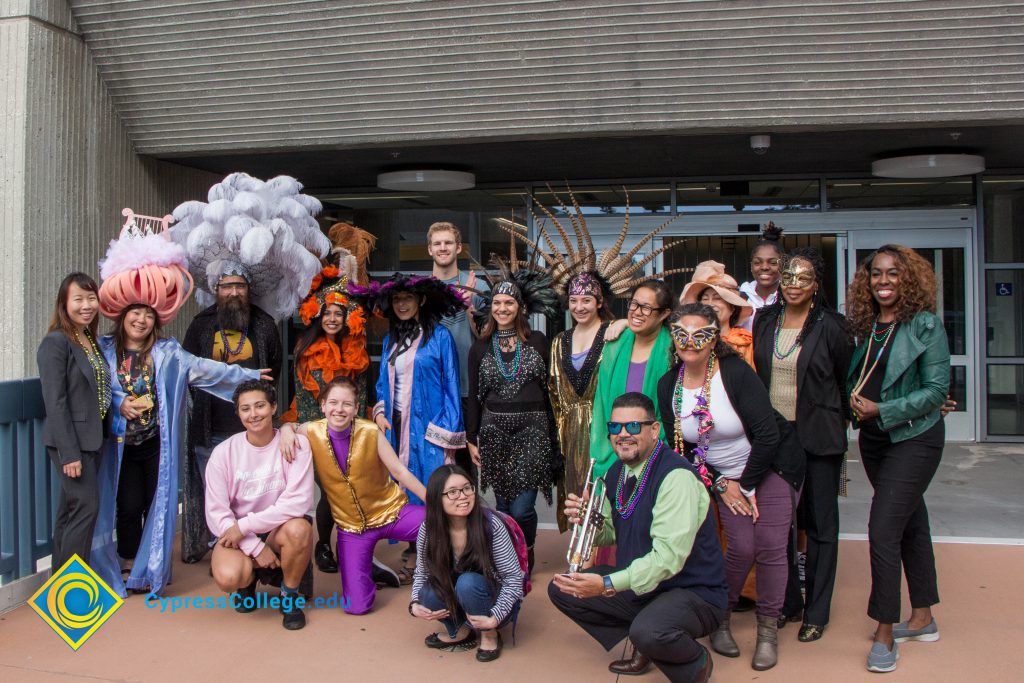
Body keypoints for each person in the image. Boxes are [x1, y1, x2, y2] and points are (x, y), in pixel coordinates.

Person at [89, 212, 265, 597]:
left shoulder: (168, 353)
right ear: (122, 317)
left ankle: (151, 568)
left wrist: (247, 377)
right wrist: (119, 403)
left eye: (147, 315)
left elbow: (206, 369)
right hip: (119, 445)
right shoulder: (102, 351)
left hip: (155, 444)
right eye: (134, 313)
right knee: (126, 503)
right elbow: (91, 385)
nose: (140, 320)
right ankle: (126, 562)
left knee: (157, 501)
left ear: (156, 321)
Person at [172, 172, 330, 563]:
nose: (234, 292)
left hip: (258, 428)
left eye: (239, 286)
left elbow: (275, 369)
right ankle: (222, 549)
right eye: (226, 286)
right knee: (218, 494)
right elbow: (187, 371)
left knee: (260, 493)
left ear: (248, 289)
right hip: (211, 428)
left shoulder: (263, 324)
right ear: (216, 289)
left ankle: (262, 547)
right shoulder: (200, 325)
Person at [658, 303, 804, 671]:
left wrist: (749, 486)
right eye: (681, 333)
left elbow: (769, 435)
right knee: (741, 545)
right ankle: (719, 617)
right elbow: (683, 447)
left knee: (771, 546)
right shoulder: (668, 385)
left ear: (714, 339)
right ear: (673, 336)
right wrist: (722, 484)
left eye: (701, 334)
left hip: (769, 467)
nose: (690, 342)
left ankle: (767, 630)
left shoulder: (735, 372)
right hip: (720, 477)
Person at [549, 392, 727, 683]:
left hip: (693, 591)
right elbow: (608, 534)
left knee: (649, 630)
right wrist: (586, 521)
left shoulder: (676, 477)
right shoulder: (616, 471)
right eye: (615, 427)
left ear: (654, 430)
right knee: (562, 590)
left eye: (633, 427)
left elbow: (668, 560)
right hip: (645, 584)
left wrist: (606, 584)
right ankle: (648, 640)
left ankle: (694, 662)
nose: (622, 435)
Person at [846, 245, 950, 673]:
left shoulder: (925, 325)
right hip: (875, 441)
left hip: (915, 438)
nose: (883, 281)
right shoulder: (869, 327)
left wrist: (882, 410)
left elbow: (936, 391)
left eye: (892, 274)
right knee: (911, 522)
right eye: (876, 275)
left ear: (907, 279)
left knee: (883, 528)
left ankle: (886, 632)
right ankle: (923, 618)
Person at [752, 248, 852, 642]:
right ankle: (789, 604)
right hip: (777, 438)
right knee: (782, 526)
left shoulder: (833, 325)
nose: (793, 284)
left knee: (821, 525)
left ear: (816, 285)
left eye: (803, 278)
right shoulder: (765, 319)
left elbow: (844, 382)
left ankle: (817, 611)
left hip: (820, 438)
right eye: (788, 276)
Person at [349, 274, 466, 576]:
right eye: (397, 300)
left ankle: (442, 552)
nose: (401, 304)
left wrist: (445, 435)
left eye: (408, 299)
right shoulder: (391, 339)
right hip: (397, 425)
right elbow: (381, 383)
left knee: (432, 485)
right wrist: (378, 413)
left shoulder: (440, 337)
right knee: (404, 487)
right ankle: (416, 545)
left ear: (421, 301)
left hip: (429, 426)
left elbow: (452, 384)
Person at [280, 377, 428, 614]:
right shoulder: (312, 430)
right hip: (351, 527)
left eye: (347, 404)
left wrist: (434, 502)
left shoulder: (370, 431)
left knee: (442, 522)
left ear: (356, 408)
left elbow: (399, 471)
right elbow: (291, 426)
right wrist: (287, 431)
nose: (339, 409)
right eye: (334, 403)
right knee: (356, 607)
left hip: (390, 512)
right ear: (323, 405)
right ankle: (370, 567)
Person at [283, 223, 374, 574]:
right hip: (318, 428)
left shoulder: (357, 349)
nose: (333, 318)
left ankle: (355, 549)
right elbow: (303, 396)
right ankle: (323, 545)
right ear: (318, 317)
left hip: (352, 427)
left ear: (347, 317)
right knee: (328, 489)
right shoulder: (306, 349)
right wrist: (312, 430)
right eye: (327, 314)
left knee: (353, 490)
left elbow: (362, 389)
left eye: (338, 314)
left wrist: (362, 425)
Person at [467, 263, 559, 568]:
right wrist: (471, 438)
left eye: (509, 303)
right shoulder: (480, 347)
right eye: (497, 302)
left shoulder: (538, 342)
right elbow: (474, 397)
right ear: (490, 307)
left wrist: (555, 436)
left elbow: (550, 393)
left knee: (522, 508)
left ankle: (526, 546)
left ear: (520, 308)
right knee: (503, 504)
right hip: (493, 433)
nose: (502, 308)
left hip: (533, 433)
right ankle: (509, 557)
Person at [206, 380, 315, 630]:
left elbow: (298, 502)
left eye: (260, 406)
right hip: (239, 534)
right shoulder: (224, 453)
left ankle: (289, 596)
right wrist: (254, 546)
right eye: (245, 409)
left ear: (274, 407)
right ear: (238, 413)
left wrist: (245, 526)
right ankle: (247, 585)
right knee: (229, 576)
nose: (253, 414)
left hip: (278, 529)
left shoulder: (296, 445)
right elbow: (216, 514)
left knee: (300, 529)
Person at [410, 465, 524, 663]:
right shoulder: (428, 529)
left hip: (491, 601)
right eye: (452, 492)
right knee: (427, 593)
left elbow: (514, 579)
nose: (463, 496)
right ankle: (460, 629)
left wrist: (495, 617)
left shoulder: (490, 525)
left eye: (467, 488)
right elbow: (422, 572)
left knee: (468, 582)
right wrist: (413, 604)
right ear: (438, 498)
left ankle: (489, 633)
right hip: (459, 593)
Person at [38, 273, 111, 570]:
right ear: (63, 304)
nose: (86, 305)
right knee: (86, 508)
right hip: (71, 444)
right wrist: (69, 453)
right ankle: (72, 589)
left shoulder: (88, 339)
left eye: (91, 298)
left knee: (70, 512)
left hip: (91, 439)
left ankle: (59, 586)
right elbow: (55, 401)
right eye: (78, 299)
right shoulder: (56, 343)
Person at [589, 280, 675, 476]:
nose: (636, 312)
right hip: (613, 452)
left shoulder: (674, 351)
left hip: (657, 454)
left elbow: (672, 413)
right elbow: (602, 405)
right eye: (634, 304)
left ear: (664, 314)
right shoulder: (614, 345)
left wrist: (645, 447)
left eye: (646, 308)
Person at [549, 272, 613, 531]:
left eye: (586, 300)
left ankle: (608, 552)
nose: (579, 307)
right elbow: (554, 391)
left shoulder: (613, 333)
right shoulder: (559, 341)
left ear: (599, 302)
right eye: (573, 300)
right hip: (571, 431)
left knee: (605, 489)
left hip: (605, 425)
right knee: (576, 490)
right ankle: (580, 556)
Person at [680, 260, 755, 366]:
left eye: (717, 298)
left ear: (732, 307)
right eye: (705, 299)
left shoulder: (745, 343)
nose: (710, 304)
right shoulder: (687, 340)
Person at [738, 222, 784, 330]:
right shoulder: (740, 297)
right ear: (751, 266)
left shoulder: (790, 297)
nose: (764, 267)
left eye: (773, 263)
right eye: (757, 263)